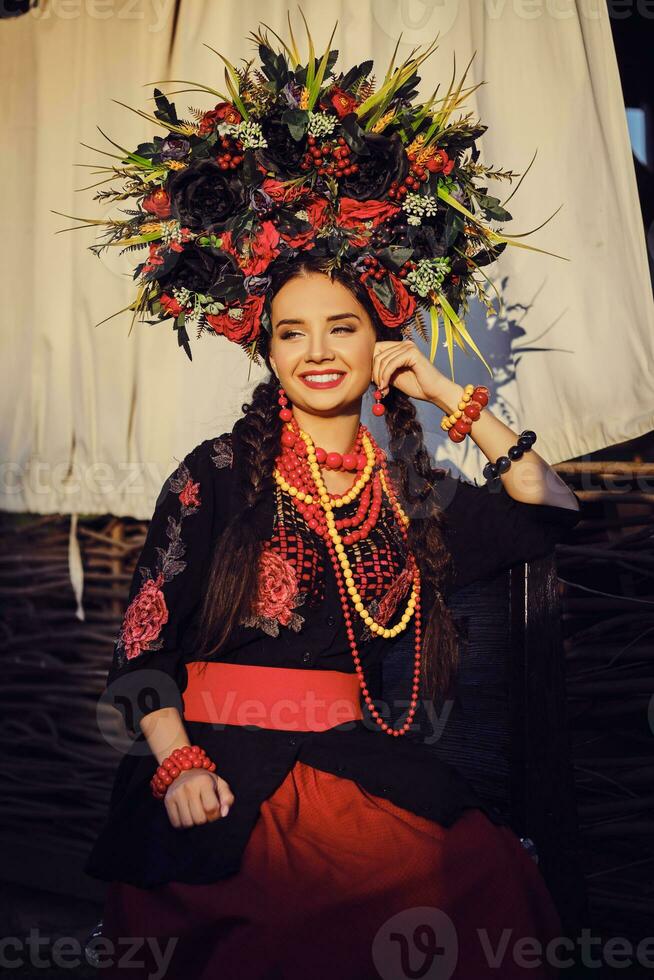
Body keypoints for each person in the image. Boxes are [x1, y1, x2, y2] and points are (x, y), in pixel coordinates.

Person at [84, 252, 581, 979]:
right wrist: (178, 766)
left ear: (376, 345)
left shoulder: (408, 498)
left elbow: (552, 508)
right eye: (292, 333)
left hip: (351, 763)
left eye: (341, 328)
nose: (317, 352)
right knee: (281, 920)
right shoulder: (218, 473)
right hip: (215, 767)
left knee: (486, 870)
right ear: (269, 350)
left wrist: (441, 391)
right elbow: (142, 643)